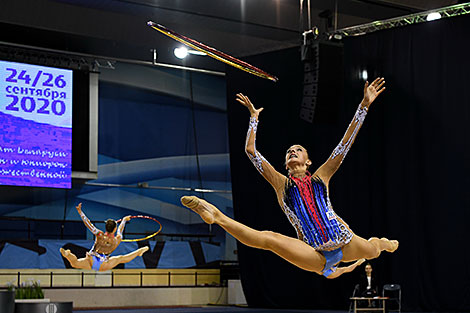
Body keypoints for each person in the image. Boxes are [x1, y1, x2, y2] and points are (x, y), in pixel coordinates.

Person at [181, 77, 398, 279]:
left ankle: (385, 244)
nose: (292, 151)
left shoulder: (321, 177)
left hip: (344, 240)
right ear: (286, 165)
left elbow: (345, 143)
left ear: (309, 161)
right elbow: (250, 150)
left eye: (298, 149)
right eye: (289, 152)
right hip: (313, 251)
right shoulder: (281, 183)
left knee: (373, 250)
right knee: (269, 239)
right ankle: (215, 215)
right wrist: (254, 119)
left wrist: (364, 105)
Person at [60, 203, 149, 271]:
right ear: (115, 229)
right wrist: (124, 220)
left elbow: (88, 224)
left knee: (75, 263)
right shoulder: (116, 240)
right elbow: (120, 230)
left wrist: (80, 212)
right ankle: (139, 251)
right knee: (121, 258)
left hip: (91, 258)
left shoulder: (100, 235)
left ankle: (68, 255)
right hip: (101, 263)